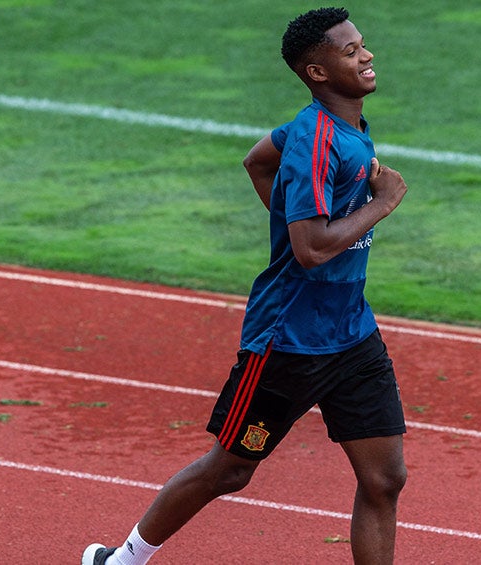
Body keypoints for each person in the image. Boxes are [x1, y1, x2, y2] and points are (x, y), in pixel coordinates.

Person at [82, 7, 408, 564]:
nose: (367, 54)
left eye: (363, 45)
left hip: (352, 334)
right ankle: (122, 560)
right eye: (350, 51)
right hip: (288, 343)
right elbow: (310, 250)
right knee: (230, 470)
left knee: (385, 479)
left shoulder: (345, 128)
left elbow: (257, 161)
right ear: (317, 72)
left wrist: (293, 221)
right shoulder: (316, 138)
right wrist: (382, 204)